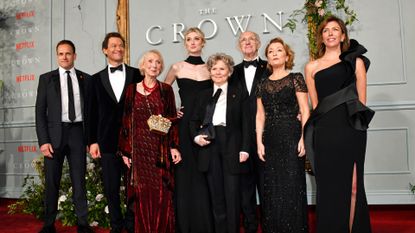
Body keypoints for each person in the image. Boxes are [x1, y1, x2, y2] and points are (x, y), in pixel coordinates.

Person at [304, 16, 374, 233]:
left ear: (343, 35)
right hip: (324, 132)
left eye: (336, 29)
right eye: (326, 30)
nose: (331, 33)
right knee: (328, 189)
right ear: (322, 37)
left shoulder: (356, 62)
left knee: (353, 187)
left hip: (351, 128)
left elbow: (362, 100)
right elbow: (316, 105)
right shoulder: (311, 67)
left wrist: (356, 128)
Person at [117, 49, 182, 233]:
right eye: (151, 61)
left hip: (159, 151)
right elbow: (126, 122)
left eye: (158, 62)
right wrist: (126, 151)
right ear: (143, 65)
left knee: (161, 194)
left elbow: (170, 120)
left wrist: (174, 147)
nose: (154, 65)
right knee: (142, 195)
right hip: (139, 151)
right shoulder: (131, 90)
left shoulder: (166, 89)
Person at [35, 40, 94, 233]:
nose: (64, 57)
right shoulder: (46, 79)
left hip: (78, 133)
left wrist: (90, 139)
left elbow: (92, 112)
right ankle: (49, 224)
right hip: (53, 136)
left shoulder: (86, 79)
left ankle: (83, 224)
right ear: (57, 55)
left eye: (68, 53)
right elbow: (39, 112)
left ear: (74, 56)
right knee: (52, 182)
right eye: (61, 54)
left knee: (79, 181)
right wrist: (43, 141)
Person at [88, 32, 143, 233]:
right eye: (113, 46)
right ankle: (116, 225)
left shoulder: (138, 75)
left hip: (134, 141)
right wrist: (92, 141)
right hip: (107, 141)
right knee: (111, 188)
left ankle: (131, 223)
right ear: (105, 50)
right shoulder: (94, 80)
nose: (117, 48)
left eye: (120, 45)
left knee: (133, 187)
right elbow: (90, 113)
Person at [190, 53, 250, 233]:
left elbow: (247, 123)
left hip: (232, 145)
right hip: (209, 144)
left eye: (222, 68)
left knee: (232, 196)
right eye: (214, 68)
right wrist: (196, 137)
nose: (217, 72)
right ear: (209, 71)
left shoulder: (239, 93)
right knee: (216, 197)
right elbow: (194, 121)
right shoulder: (203, 95)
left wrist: (245, 149)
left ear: (229, 71)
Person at [255, 37, 309, 233]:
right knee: (272, 188)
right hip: (270, 139)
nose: (275, 53)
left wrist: (304, 137)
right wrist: (259, 142)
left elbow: (305, 109)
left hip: (291, 137)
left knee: (293, 185)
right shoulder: (262, 84)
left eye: (279, 50)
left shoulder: (296, 78)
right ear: (267, 58)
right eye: (271, 51)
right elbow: (260, 115)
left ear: (287, 56)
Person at [164, 27, 214, 233]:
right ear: (185, 43)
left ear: (203, 43)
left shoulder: (212, 68)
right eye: (189, 39)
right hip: (184, 127)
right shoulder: (176, 67)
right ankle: (185, 225)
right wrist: (173, 109)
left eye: (197, 39)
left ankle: (206, 224)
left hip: (207, 125)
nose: (193, 42)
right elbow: (163, 93)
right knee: (185, 173)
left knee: (206, 172)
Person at [231, 31, 268, 233]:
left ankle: (269, 224)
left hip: (267, 135)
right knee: (245, 187)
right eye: (243, 40)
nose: (247, 42)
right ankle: (251, 226)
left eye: (251, 39)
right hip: (240, 138)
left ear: (258, 43)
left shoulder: (269, 67)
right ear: (239, 46)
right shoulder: (231, 71)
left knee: (266, 185)